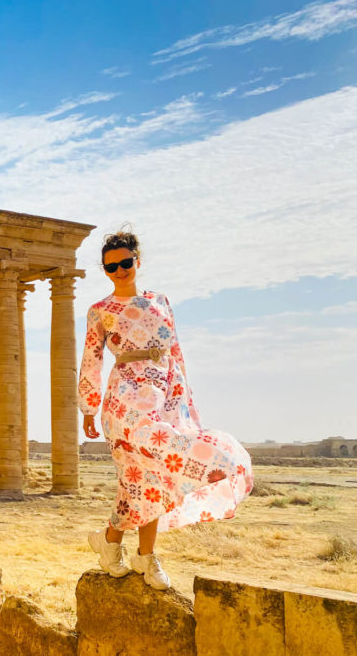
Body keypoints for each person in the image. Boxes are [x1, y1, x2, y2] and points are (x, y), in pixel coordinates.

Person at [79, 228, 253, 590]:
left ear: (137, 262)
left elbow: (175, 353)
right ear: (105, 271)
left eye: (126, 262)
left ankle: (122, 546)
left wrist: (182, 404)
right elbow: (91, 362)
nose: (120, 270)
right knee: (153, 457)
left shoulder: (160, 302)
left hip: (162, 391)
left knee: (146, 481)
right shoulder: (99, 312)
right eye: (112, 267)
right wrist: (89, 408)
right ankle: (123, 547)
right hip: (124, 396)